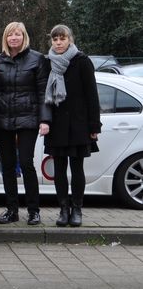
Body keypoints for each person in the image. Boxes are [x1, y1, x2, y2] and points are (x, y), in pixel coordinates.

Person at [0, 22, 50, 225]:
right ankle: (11, 209)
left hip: (28, 118)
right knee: (7, 166)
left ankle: (34, 210)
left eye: (17, 34)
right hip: (3, 119)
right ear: (5, 38)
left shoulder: (37, 59)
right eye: (10, 35)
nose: (14, 38)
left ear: (24, 37)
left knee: (26, 163)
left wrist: (45, 119)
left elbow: (43, 91)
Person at [44, 25, 101, 228]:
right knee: (58, 170)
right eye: (55, 39)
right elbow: (44, 95)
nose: (58, 42)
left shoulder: (82, 61)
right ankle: (63, 209)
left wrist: (94, 126)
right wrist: (45, 121)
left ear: (70, 39)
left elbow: (92, 95)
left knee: (77, 169)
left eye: (62, 38)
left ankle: (77, 209)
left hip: (79, 125)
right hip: (57, 125)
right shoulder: (47, 62)